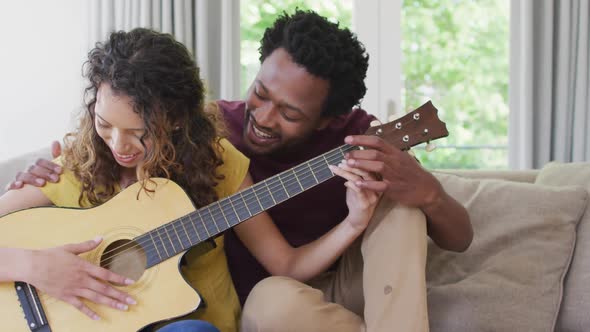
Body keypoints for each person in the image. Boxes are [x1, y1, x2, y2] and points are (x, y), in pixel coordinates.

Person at [7, 10, 473, 332]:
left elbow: (284, 263)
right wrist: (33, 262)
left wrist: (388, 207)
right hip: (272, 304)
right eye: (261, 93)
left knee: (401, 204)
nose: (265, 117)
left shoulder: (220, 160)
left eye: (289, 113)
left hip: (252, 304)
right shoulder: (94, 155)